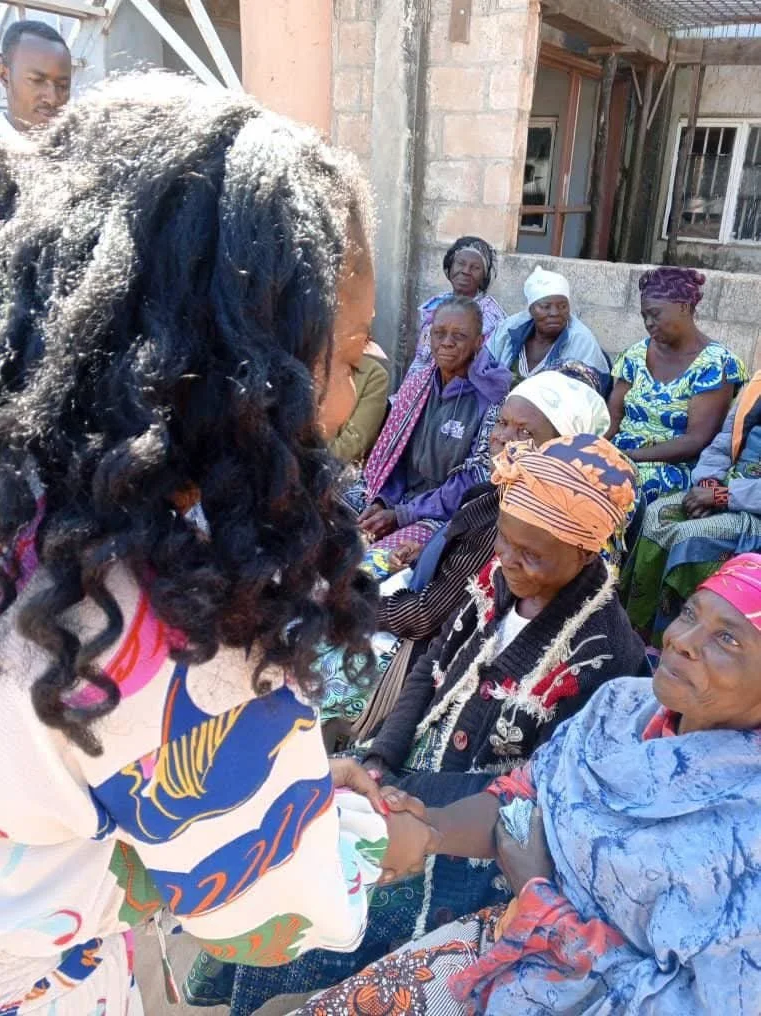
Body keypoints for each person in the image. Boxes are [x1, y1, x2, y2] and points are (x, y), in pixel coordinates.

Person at [0, 72, 439, 1015]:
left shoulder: (31, 497)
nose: (365, 369)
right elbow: (260, 919)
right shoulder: (171, 626)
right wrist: (356, 830)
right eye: (350, 343)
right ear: (242, 365)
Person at [226, 434, 647, 1016]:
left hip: (486, 832)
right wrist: (380, 758)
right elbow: (429, 671)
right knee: (294, 859)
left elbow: (545, 792)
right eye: (506, 540)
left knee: (347, 891)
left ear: (585, 551)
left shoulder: (604, 652)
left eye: (535, 555)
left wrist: (410, 804)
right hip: (412, 776)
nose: (512, 563)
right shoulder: (495, 582)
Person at [294, 552, 761, 1016]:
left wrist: (540, 899)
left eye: (727, 639)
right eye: (688, 614)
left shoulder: (748, 835)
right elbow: (524, 796)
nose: (681, 641)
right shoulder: (621, 707)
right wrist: (426, 828)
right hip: (507, 939)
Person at [341, 366, 612, 741]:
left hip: (418, 651)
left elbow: (424, 618)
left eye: (526, 432)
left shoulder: (512, 523)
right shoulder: (494, 493)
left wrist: (351, 605)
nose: (503, 438)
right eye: (502, 423)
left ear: (560, 448)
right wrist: (430, 551)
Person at [356, 295, 509, 563]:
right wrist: (383, 502)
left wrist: (404, 514)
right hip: (401, 499)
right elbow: (395, 457)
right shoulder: (418, 385)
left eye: (459, 335)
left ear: (479, 342)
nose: (446, 342)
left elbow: (474, 483)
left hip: (445, 515)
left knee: (375, 564)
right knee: (330, 523)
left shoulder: (492, 398)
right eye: (439, 333)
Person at [622, 369, 761, 646]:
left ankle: (670, 641)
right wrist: (709, 482)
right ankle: (633, 626)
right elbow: (722, 444)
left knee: (693, 536)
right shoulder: (757, 386)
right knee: (656, 515)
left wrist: (723, 496)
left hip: (753, 508)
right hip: (724, 485)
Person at [607, 266, 747, 504]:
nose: (649, 323)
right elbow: (612, 417)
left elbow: (696, 440)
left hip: (670, 465)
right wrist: (595, 449)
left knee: (613, 491)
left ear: (683, 307)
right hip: (618, 454)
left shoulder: (715, 365)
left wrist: (630, 457)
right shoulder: (636, 354)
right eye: (644, 317)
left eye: (655, 314)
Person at [487, 265, 610, 391]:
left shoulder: (582, 341)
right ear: (531, 310)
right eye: (545, 306)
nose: (555, 313)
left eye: (562, 306)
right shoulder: (509, 330)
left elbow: (587, 396)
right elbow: (483, 371)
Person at [405, 235, 506, 379]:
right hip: (417, 386)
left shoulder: (490, 314)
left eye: (475, 267)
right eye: (460, 263)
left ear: (484, 276)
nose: (466, 271)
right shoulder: (437, 304)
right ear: (450, 266)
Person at [0, 20, 71, 145]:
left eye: (62, 86)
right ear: (4, 75)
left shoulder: (81, 145)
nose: (53, 99)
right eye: (37, 81)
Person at [328, 338, 389, 464]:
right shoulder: (308, 363)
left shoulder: (374, 374)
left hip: (338, 471)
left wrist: (314, 464)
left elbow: (356, 441)